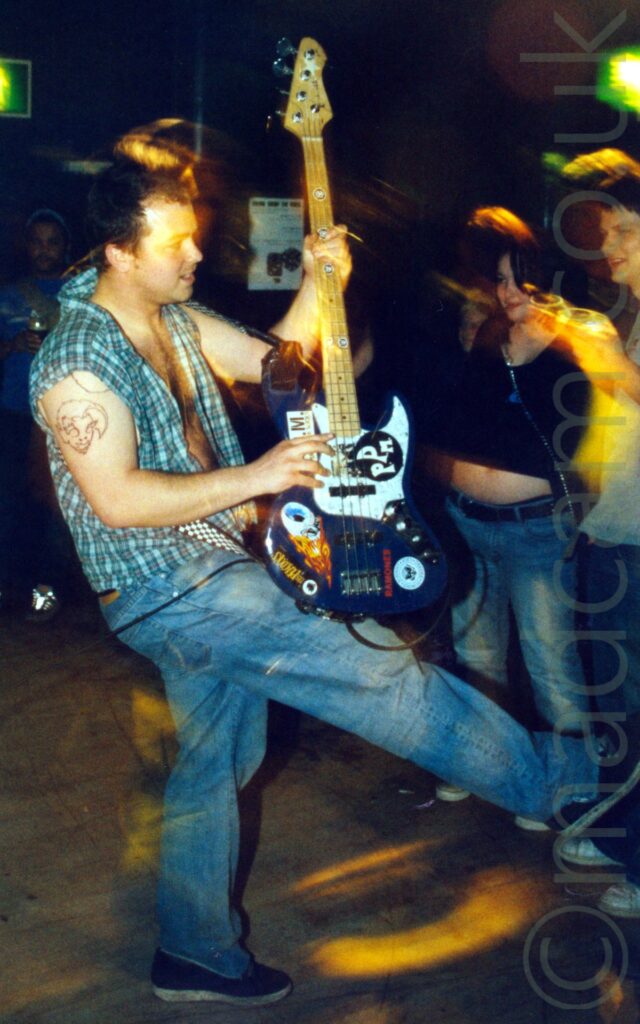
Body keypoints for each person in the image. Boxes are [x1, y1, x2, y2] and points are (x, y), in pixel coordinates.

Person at [29, 151, 631, 1007]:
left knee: (213, 764)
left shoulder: (171, 315)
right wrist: (258, 476)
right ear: (120, 252)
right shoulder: (75, 361)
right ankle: (578, 787)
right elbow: (119, 500)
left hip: (213, 566)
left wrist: (321, 279)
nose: (197, 257)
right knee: (378, 670)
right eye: (175, 244)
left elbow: (279, 357)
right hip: (170, 589)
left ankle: (193, 953)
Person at [422, 210, 593, 814]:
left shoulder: (574, 333)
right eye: (495, 280)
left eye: (520, 277)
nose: (510, 293)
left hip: (539, 529)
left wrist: (553, 341)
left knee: (552, 667)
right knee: (479, 661)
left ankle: (574, 798)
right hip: (468, 523)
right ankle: (496, 771)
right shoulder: (476, 334)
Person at [557, 167, 640, 919]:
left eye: (623, 232)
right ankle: (625, 834)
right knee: (617, 702)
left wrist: (610, 361)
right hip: (614, 531)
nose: (607, 248)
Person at [0, 208, 71, 618]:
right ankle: (12, 587)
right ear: (26, 246)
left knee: (53, 508)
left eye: (52, 242)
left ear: (64, 246)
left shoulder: (81, 291)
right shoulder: (8, 293)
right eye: (37, 242)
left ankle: (47, 592)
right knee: (11, 504)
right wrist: (12, 346)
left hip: (60, 418)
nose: (44, 250)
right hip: (13, 415)